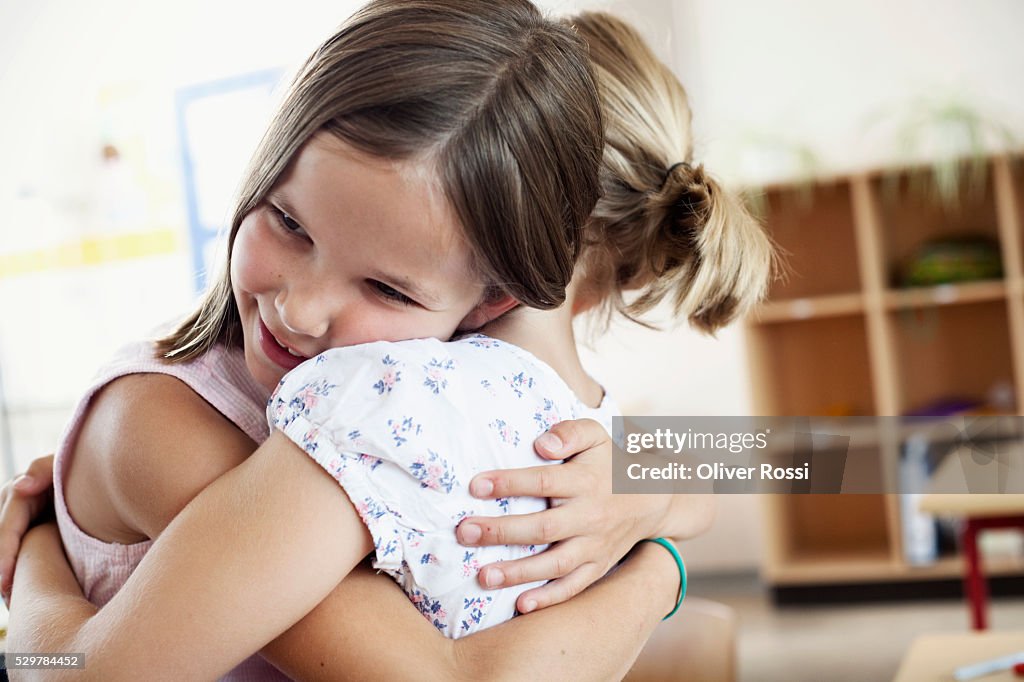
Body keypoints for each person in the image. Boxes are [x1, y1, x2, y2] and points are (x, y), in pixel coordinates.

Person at [4, 5, 770, 679]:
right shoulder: (342, 412)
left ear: (490, 298)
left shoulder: (461, 402)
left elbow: (771, 458)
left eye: (388, 288)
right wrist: (661, 560)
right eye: (290, 222)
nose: (301, 312)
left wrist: (652, 500)